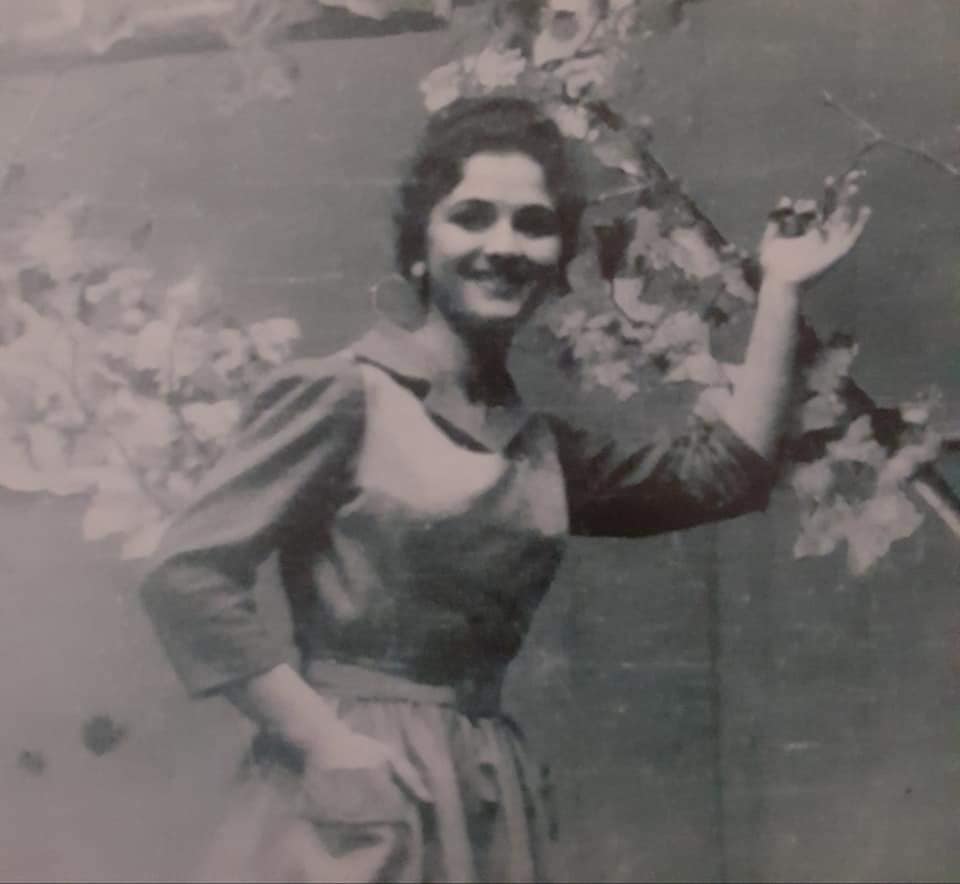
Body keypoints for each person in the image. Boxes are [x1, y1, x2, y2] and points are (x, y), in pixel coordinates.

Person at [139, 96, 870, 883]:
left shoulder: (538, 447)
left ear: (556, 262)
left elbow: (724, 476)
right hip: (354, 784)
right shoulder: (344, 394)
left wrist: (781, 289)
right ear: (420, 248)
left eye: (533, 224)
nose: (503, 245)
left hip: (483, 786)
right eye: (472, 217)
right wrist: (325, 741)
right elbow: (186, 576)